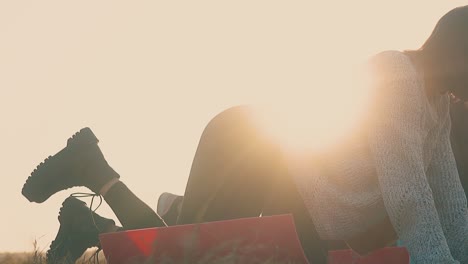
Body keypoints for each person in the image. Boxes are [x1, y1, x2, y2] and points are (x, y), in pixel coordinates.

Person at [22, 5, 468, 264]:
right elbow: (411, 197)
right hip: (244, 146)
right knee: (186, 259)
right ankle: (91, 165)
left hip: (297, 185)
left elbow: (449, 200)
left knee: (200, 251)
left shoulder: (435, 103)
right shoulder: (397, 77)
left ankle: (107, 224)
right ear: (456, 55)